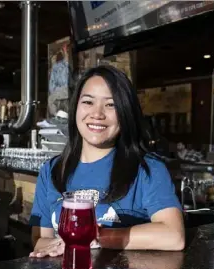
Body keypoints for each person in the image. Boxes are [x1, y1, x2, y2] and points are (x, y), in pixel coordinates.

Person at [29, 65, 185, 257]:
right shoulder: (52, 170)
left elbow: (174, 235)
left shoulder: (147, 169)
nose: (97, 113)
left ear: (125, 112)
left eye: (111, 105)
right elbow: (39, 240)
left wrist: (96, 237)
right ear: (75, 107)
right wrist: (61, 244)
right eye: (88, 102)